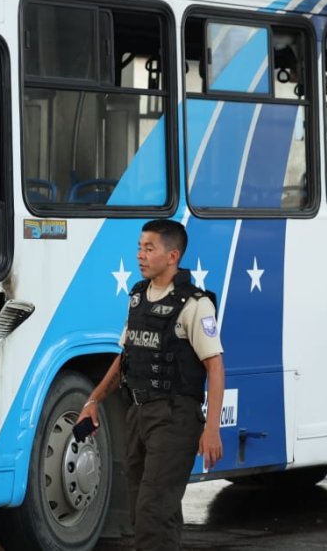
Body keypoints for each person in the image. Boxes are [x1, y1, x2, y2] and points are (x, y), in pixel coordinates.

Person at [77, 218, 225, 551]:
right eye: (139, 248)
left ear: (173, 256)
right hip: (138, 414)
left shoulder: (194, 304)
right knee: (146, 511)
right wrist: (94, 399)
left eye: (149, 248)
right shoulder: (138, 297)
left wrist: (212, 429)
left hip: (175, 418)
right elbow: (126, 356)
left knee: (152, 513)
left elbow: (215, 366)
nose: (140, 255)